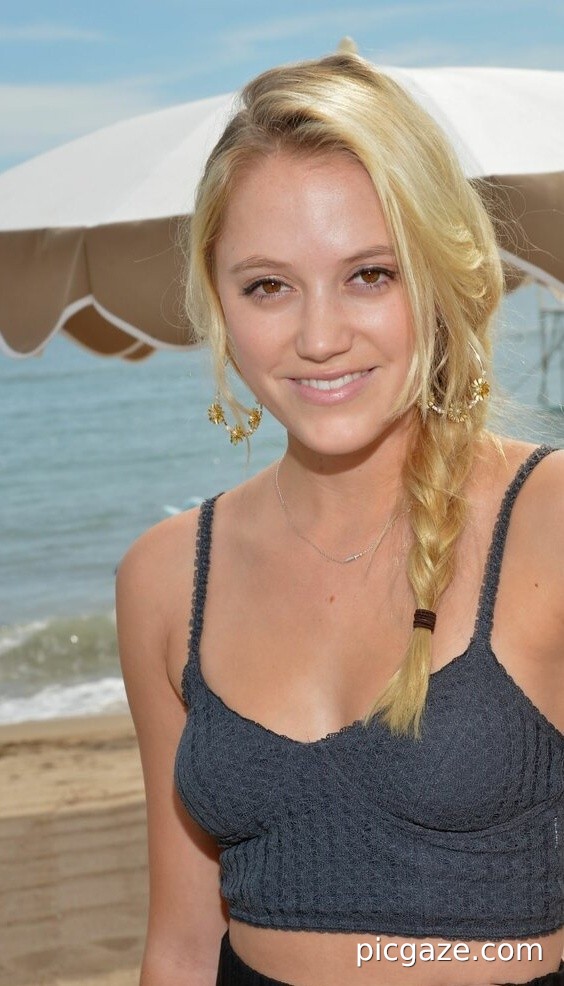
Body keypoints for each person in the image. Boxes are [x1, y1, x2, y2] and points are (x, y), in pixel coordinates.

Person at [116, 52, 564, 986]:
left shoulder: (548, 523)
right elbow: (183, 946)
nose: (319, 338)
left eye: (368, 274)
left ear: (437, 274)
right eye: (268, 286)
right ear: (217, 302)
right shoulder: (165, 576)